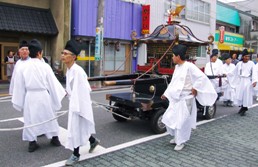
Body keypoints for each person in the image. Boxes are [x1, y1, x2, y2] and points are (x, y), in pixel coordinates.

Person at [11, 39, 66, 152]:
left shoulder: (22, 67)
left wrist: (19, 101)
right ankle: (55, 138)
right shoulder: (44, 66)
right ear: (39, 53)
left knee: (30, 119)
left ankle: (32, 143)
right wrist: (60, 94)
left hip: (30, 96)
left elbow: (19, 86)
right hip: (44, 95)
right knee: (49, 116)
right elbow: (53, 83)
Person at [161, 44, 217, 151]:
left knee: (183, 121)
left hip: (187, 98)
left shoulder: (189, 66)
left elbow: (201, 78)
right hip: (176, 98)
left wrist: (195, 88)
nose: (172, 58)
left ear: (178, 56)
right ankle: (176, 137)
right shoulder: (177, 67)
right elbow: (173, 82)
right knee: (170, 118)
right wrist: (166, 93)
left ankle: (181, 141)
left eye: (173, 55)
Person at [61, 39, 99, 166]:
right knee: (79, 128)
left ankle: (76, 154)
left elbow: (84, 91)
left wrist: (79, 108)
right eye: (62, 53)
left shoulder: (78, 71)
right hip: (74, 104)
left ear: (73, 57)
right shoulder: (69, 69)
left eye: (66, 53)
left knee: (75, 129)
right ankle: (93, 141)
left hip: (79, 105)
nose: (63, 55)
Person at [227, 49, 257, 116]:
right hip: (241, 81)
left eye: (248, 56)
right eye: (246, 56)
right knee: (240, 95)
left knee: (246, 95)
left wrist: (254, 81)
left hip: (247, 81)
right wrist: (227, 74)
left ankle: (245, 108)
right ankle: (242, 107)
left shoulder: (251, 63)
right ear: (243, 57)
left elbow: (254, 73)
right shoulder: (239, 64)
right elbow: (234, 72)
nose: (247, 58)